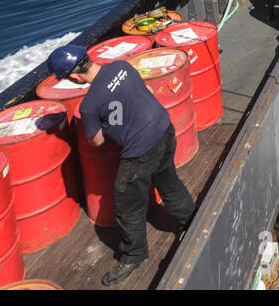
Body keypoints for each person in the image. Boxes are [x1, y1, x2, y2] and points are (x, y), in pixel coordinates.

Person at [47, 45, 193, 286]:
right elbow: (145, 90)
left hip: (140, 152)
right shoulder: (122, 66)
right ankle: (192, 221)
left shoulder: (89, 104)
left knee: (126, 205)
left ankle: (134, 255)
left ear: (74, 77)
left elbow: (96, 141)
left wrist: (111, 126)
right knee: (169, 184)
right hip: (164, 130)